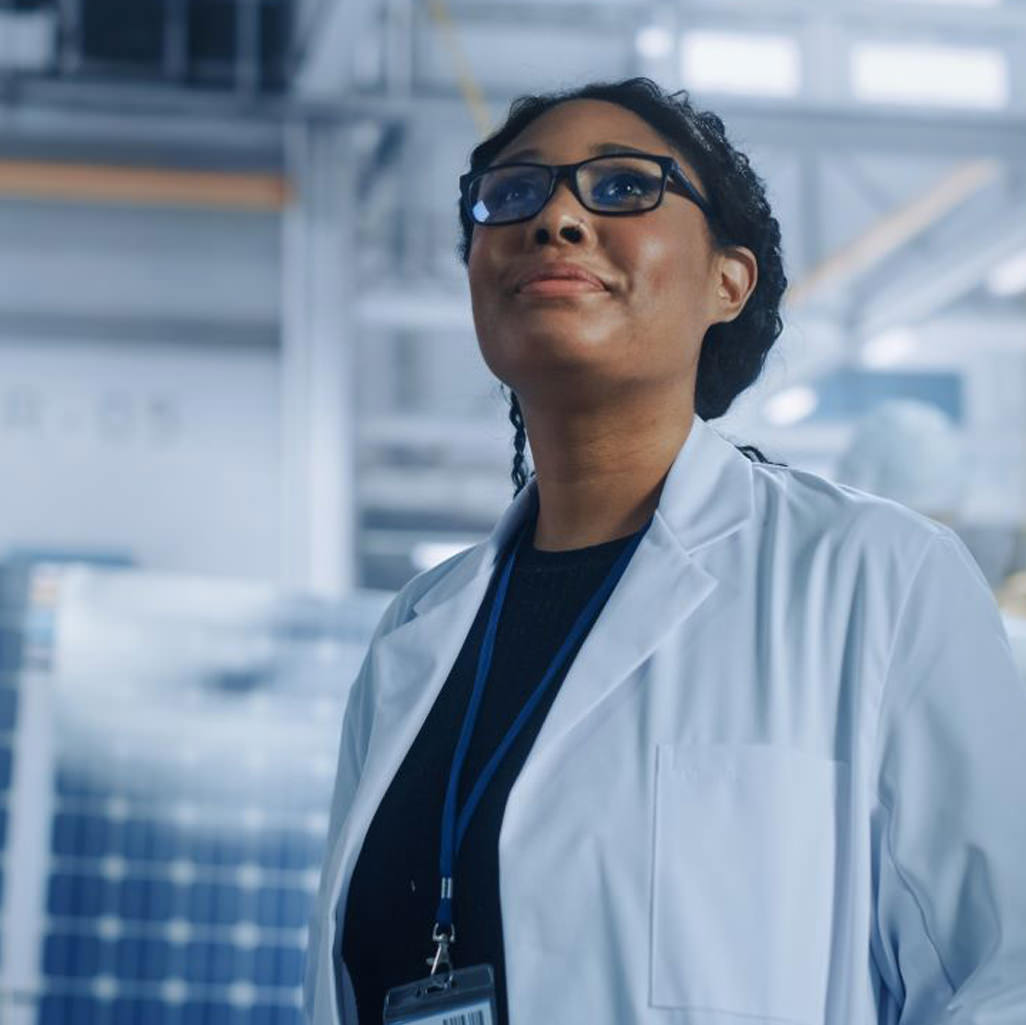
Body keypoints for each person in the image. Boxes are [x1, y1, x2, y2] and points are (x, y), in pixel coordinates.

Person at [304, 77, 1026, 1025]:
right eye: (512, 193)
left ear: (729, 279)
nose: (556, 214)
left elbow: (1004, 973)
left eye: (622, 186)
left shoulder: (872, 579)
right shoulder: (418, 633)